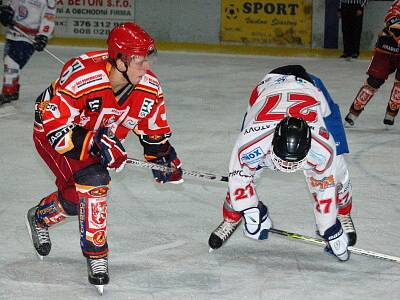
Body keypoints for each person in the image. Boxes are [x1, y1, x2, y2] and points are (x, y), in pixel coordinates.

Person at [25, 22, 183, 292]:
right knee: (95, 179)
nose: (146, 68)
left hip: (96, 140)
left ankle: (40, 216)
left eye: (147, 60)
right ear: (120, 59)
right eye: (139, 61)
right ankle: (97, 256)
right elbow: (56, 128)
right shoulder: (81, 76)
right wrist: (96, 144)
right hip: (55, 137)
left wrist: (164, 157)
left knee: (78, 200)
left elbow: (152, 129)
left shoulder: (149, 87)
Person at [208, 65, 355, 262]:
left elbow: (324, 187)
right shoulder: (251, 141)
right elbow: (239, 175)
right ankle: (232, 216)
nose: (287, 167)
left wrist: (330, 227)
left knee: (338, 169)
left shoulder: (323, 147)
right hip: (269, 88)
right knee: (248, 171)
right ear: (272, 143)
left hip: (311, 88)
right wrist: (251, 208)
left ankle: (343, 213)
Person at [344, 1, 400, 126]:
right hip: (387, 47)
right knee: (375, 80)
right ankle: (353, 112)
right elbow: (390, 18)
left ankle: (390, 115)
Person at [0, 0, 55, 104]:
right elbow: (10, 5)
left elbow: (49, 18)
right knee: (10, 62)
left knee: (11, 62)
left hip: (29, 37)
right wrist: (6, 11)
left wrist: (43, 35)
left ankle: (8, 91)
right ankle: (13, 90)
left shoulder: (48, 1)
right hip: (13, 32)